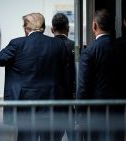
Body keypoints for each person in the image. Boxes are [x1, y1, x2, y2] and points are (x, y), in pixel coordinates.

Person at [0, 12, 71, 141]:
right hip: (52, 107)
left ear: (26, 28)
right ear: (42, 27)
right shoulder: (58, 45)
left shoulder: (17, 44)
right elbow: (67, 77)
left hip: (26, 108)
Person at [76, 9, 126, 141]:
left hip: (96, 117)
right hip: (122, 115)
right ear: (114, 26)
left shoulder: (89, 52)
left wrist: (80, 119)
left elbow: (83, 89)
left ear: (94, 26)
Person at [51, 12, 76, 141]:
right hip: (72, 101)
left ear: (52, 29)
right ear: (68, 28)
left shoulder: (47, 46)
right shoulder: (75, 47)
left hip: (53, 101)